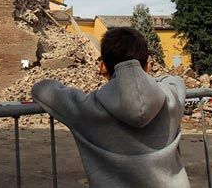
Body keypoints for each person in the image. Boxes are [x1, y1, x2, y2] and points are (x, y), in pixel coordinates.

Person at [31, 27, 189, 188]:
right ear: (148, 66)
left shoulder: (87, 108)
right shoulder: (172, 95)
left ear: (104, 66)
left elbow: (41, 89)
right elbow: (173, 79)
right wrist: (138, 74)